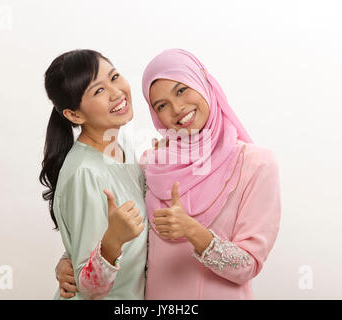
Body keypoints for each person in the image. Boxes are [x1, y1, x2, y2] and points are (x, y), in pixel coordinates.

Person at [56, 48, 281, 300]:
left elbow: (248, 265)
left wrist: (192, 230)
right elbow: (112, 226)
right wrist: (71, 261)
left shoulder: (256, 164)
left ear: (202, 82)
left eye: (181, 89)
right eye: (161, 105)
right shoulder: (152, 164)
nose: (177, 109)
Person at [40, 49, 147, 300]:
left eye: (114, 77)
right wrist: (113, 241)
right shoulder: (85, 173)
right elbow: (88, 288)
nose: (116, 92)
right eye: (98, 91)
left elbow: (84, 247)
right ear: (74, 115)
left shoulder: (124, 147)